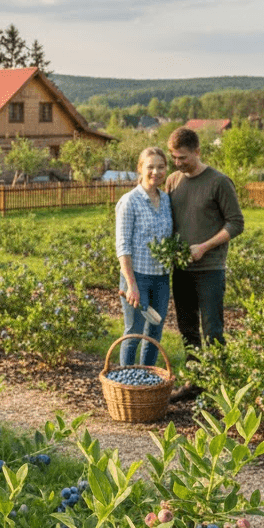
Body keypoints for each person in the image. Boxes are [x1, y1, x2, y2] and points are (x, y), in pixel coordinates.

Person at [165, 126, 244, 400]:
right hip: (181, 269)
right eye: (174, 157)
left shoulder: (219, 182)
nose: (177, 163)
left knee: (213, 330)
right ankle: (195, 382)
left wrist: (205, 246)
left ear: (197, 152)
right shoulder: (173, 181)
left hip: (210, 268)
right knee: (187, 328)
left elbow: (236, 223)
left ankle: (220, 388)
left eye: (182, 157)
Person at [115, 146, 174, 366]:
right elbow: (123, 247)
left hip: (161, 278)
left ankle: (145, 380)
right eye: (150, 167)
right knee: (134, 333)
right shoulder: (129, 201)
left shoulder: (167, 200)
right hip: (137, 277)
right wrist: (131, 285)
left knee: (154, 333)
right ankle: (127, 382)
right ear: (140, 169)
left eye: (161, 167)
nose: (155, 172)